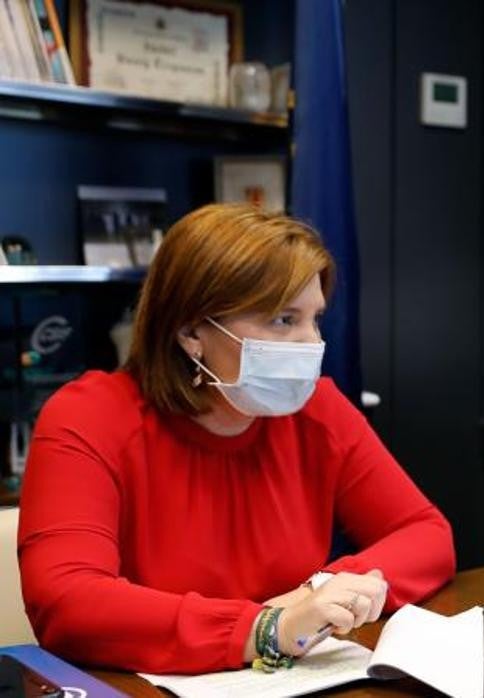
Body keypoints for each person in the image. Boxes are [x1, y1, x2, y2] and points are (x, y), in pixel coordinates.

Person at [17, 204, 455, 674]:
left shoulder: (318, 409)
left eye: (316, 319)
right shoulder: (88, 416)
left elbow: (427, 535)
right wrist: (266, 628)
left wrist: (323, 590)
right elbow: (66, 601)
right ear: (190, 332)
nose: (311, 344)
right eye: (283, 320)